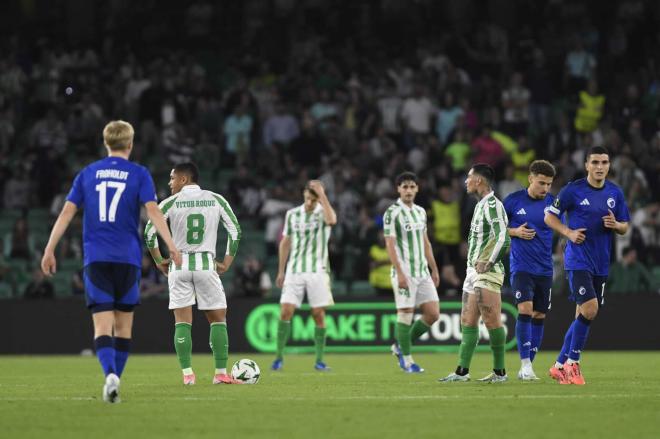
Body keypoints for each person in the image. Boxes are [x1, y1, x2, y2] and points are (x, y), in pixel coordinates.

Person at [41, 120, 182, 403]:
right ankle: (115, 379)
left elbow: (67, 213)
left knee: (102, 328)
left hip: (96, 258)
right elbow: (154, 213)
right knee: (124, 328)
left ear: (106, 143)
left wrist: (49, 249)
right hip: (128, 260)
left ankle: (110, 377)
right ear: (130, 144)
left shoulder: (87, 173)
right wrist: (171, 245)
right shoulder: (139, 174)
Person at [144, 162, 242, 385]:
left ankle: (188, 374)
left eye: (172, 178)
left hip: (179, 267)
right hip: (206, 266)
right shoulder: (216, 199)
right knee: (218, 319)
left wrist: (159, 260)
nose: (170, 183)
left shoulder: (170, 203)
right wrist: (226, 262)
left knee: (182, 322)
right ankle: (220, 373)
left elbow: (149, 233)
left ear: (184, 179)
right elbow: (235, 230)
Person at [545, 146, 629, 385]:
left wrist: (616, 225)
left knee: (583, 314)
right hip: (578, 259)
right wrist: (568, 232)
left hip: (601, 261)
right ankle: (573, 363)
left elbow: (625, 226)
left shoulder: (615, 192)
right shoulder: (573, 190)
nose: (600, 167)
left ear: (609, 165)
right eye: (595, 163)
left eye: (604, 162)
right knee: (590, 310)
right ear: (587, 165)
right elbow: (549, 217)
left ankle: (559, 365)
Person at [439, 163, 510, 383]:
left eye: (469, 177)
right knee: (468, 322)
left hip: (487, 272)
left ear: (479, 180)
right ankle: (462, 372)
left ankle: (500, 373)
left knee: (492, 321)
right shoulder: (479, 205)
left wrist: (488, 262)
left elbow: (503, 237)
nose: (465, 181)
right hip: (473, 272)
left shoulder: (493, 205)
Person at [271, 180, 337, 372]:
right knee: (285, 311)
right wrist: (281, 270)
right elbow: (285, 243)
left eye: (313, 199)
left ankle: (319, 360)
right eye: (307, 198)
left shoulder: (324, 212)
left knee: (318, 314)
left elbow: (332, 220)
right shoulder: (292, 214)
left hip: (318, 270)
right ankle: (278, 357)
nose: (309, 202)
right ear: (303, 195)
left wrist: (322, 195)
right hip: (295, 270)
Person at [503, 160, 556, 380]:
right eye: (541, 183)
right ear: (530, 178)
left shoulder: (554, 203)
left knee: (539, 314)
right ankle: (525, 364)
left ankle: (528, 367)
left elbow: (562, 229)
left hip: (545, 269)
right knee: (525, 309)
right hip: (521, 267)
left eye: (549, 184)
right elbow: (495, 230)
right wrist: (514, 232)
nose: (545, 188)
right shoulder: (513, 201)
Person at [383, 172, 440, 373]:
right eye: (404, 187)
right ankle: (407, 361)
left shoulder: (420, 212)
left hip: (422, 272)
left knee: (433, 314)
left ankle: (399, 346)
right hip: (404, 271)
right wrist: (399, 273)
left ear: (417, 188)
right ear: (398, 189)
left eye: (411, 186)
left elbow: (425, 242)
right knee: (406, 314)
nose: (408, 190)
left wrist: (433, 268)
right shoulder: (392, 212)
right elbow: (389, 244)